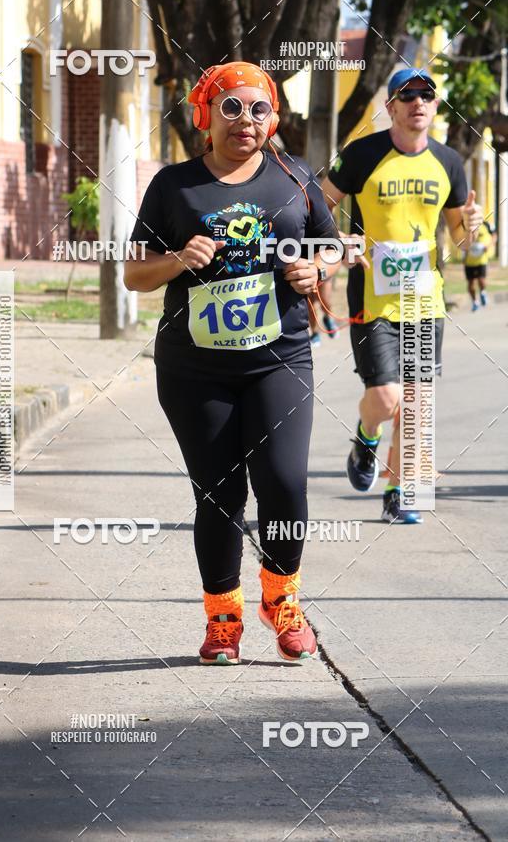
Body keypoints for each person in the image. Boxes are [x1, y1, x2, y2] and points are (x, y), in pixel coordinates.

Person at [125, 61, 352, 665]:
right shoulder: (173, 186)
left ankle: (282, 599)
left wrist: (316, 268)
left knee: (284, 481)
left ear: (272, 118)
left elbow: (335, 246)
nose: (244, 120)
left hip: (280, 359)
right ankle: (222, 618)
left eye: (258, 109)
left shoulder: (294, 177)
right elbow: (134, 274)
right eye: (230, 107)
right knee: (219, 494)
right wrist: (177, 260)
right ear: (206, 115)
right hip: (194, 369)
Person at [320, 67, 482, 524]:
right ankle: (366, 435)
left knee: (417, 402)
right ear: (390, 107)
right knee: (387, 397)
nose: (418, 103)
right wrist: (340, 241)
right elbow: (317, 206)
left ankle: (401, 491)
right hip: (373, 300)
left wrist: (470, 227)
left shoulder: (448, 161)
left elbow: (459, 238)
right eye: (407, 96)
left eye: (426, 95)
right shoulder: (362, 154)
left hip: (425, 299)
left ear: (435, 105)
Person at [464, 220, 495, 311]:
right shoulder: (466, 224)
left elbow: (494, 236)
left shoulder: (486, 224)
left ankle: (483, 293)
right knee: (470, 283)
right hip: (469, 260)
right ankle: (475, 302)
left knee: (481, 280)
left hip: (482, 259)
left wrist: (489, 246)